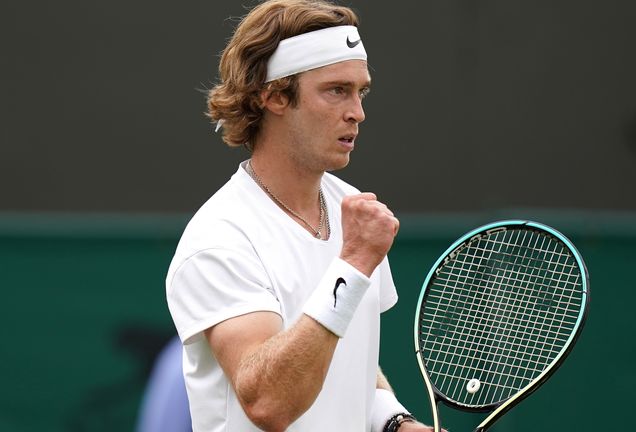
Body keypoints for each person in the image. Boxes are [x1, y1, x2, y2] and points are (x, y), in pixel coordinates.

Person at [166, 1, 438, 431]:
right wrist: (354, 263)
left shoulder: (352, 211)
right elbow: (269, 403)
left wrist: (394, 421)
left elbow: (348, 357)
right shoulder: (219, 240)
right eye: (336, 90)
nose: (357, 112)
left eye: (360, 91)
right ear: (273, 96)